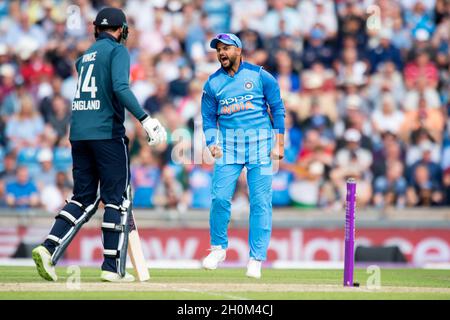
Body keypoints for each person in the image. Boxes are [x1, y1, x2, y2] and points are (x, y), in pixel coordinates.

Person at [31, 7, 167, 283]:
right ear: (121, 30)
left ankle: (48, 248)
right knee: (117, 200)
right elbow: (120, 87)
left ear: (97, 28)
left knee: (83, 198)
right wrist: (145, 118)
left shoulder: (84, 58)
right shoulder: (118, 51)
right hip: (107, 133)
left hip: (79, 132)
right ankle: (112, 267)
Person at [201, 33, 285, 278]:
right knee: (219, 198)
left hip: (260, 145)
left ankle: (256, 258)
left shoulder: (260, 76)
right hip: (229, 146)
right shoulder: (212, 83)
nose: (221, 53)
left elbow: (278, 108)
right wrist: (211, 142)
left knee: (260, 202)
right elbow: (208, 117)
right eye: (218, 49)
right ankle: (218, 248)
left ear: (238, 50)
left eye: (226, 48)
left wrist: (279, 144)